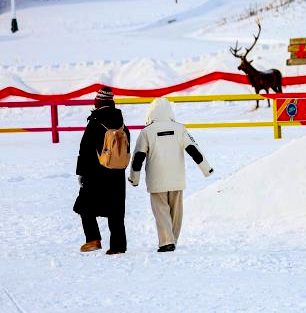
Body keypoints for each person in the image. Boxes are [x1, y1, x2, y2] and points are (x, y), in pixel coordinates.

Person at [128, 98, 213, 252]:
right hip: (176, 179)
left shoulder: (147, 132)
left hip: (156, 180)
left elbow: (138, 157)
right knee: (176, 212)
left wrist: (134, 178)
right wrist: (206, 169)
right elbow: (194, 150)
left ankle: (167, 241)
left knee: (161, 211)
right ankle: (172, 239)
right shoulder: (180, 129)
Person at [73, 86, 129, 255]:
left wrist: (81, 173)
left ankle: (93, 239)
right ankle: (118, 246)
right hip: (117, 173)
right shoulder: (121, 123)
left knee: (84, 205)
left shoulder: (95, 121)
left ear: (98, 102)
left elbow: (85, 149)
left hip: (96, 173)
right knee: (116, 210)